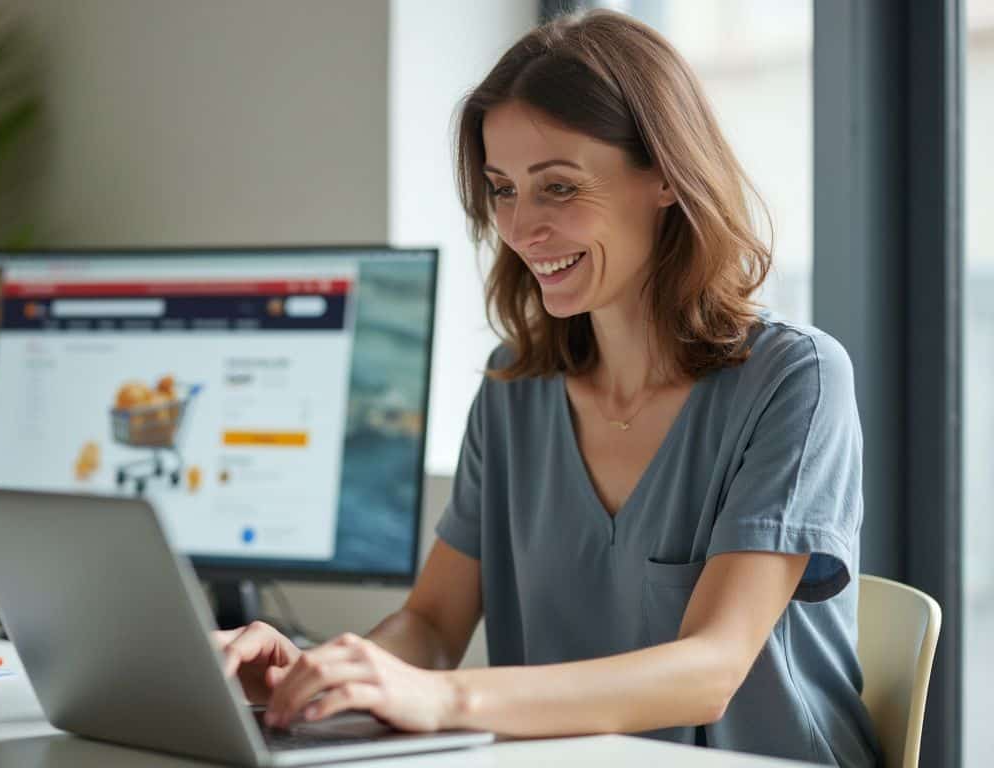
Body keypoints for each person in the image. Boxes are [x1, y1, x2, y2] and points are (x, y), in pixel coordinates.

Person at [215, 9, 880, 767]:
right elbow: (431, 627)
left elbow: (710, 669)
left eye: (558, 188)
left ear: (665, 175)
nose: (521, 228)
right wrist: (324, 676)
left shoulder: (797, 380)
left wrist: (444, 699)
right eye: (502, 190)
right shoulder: (513, 391)